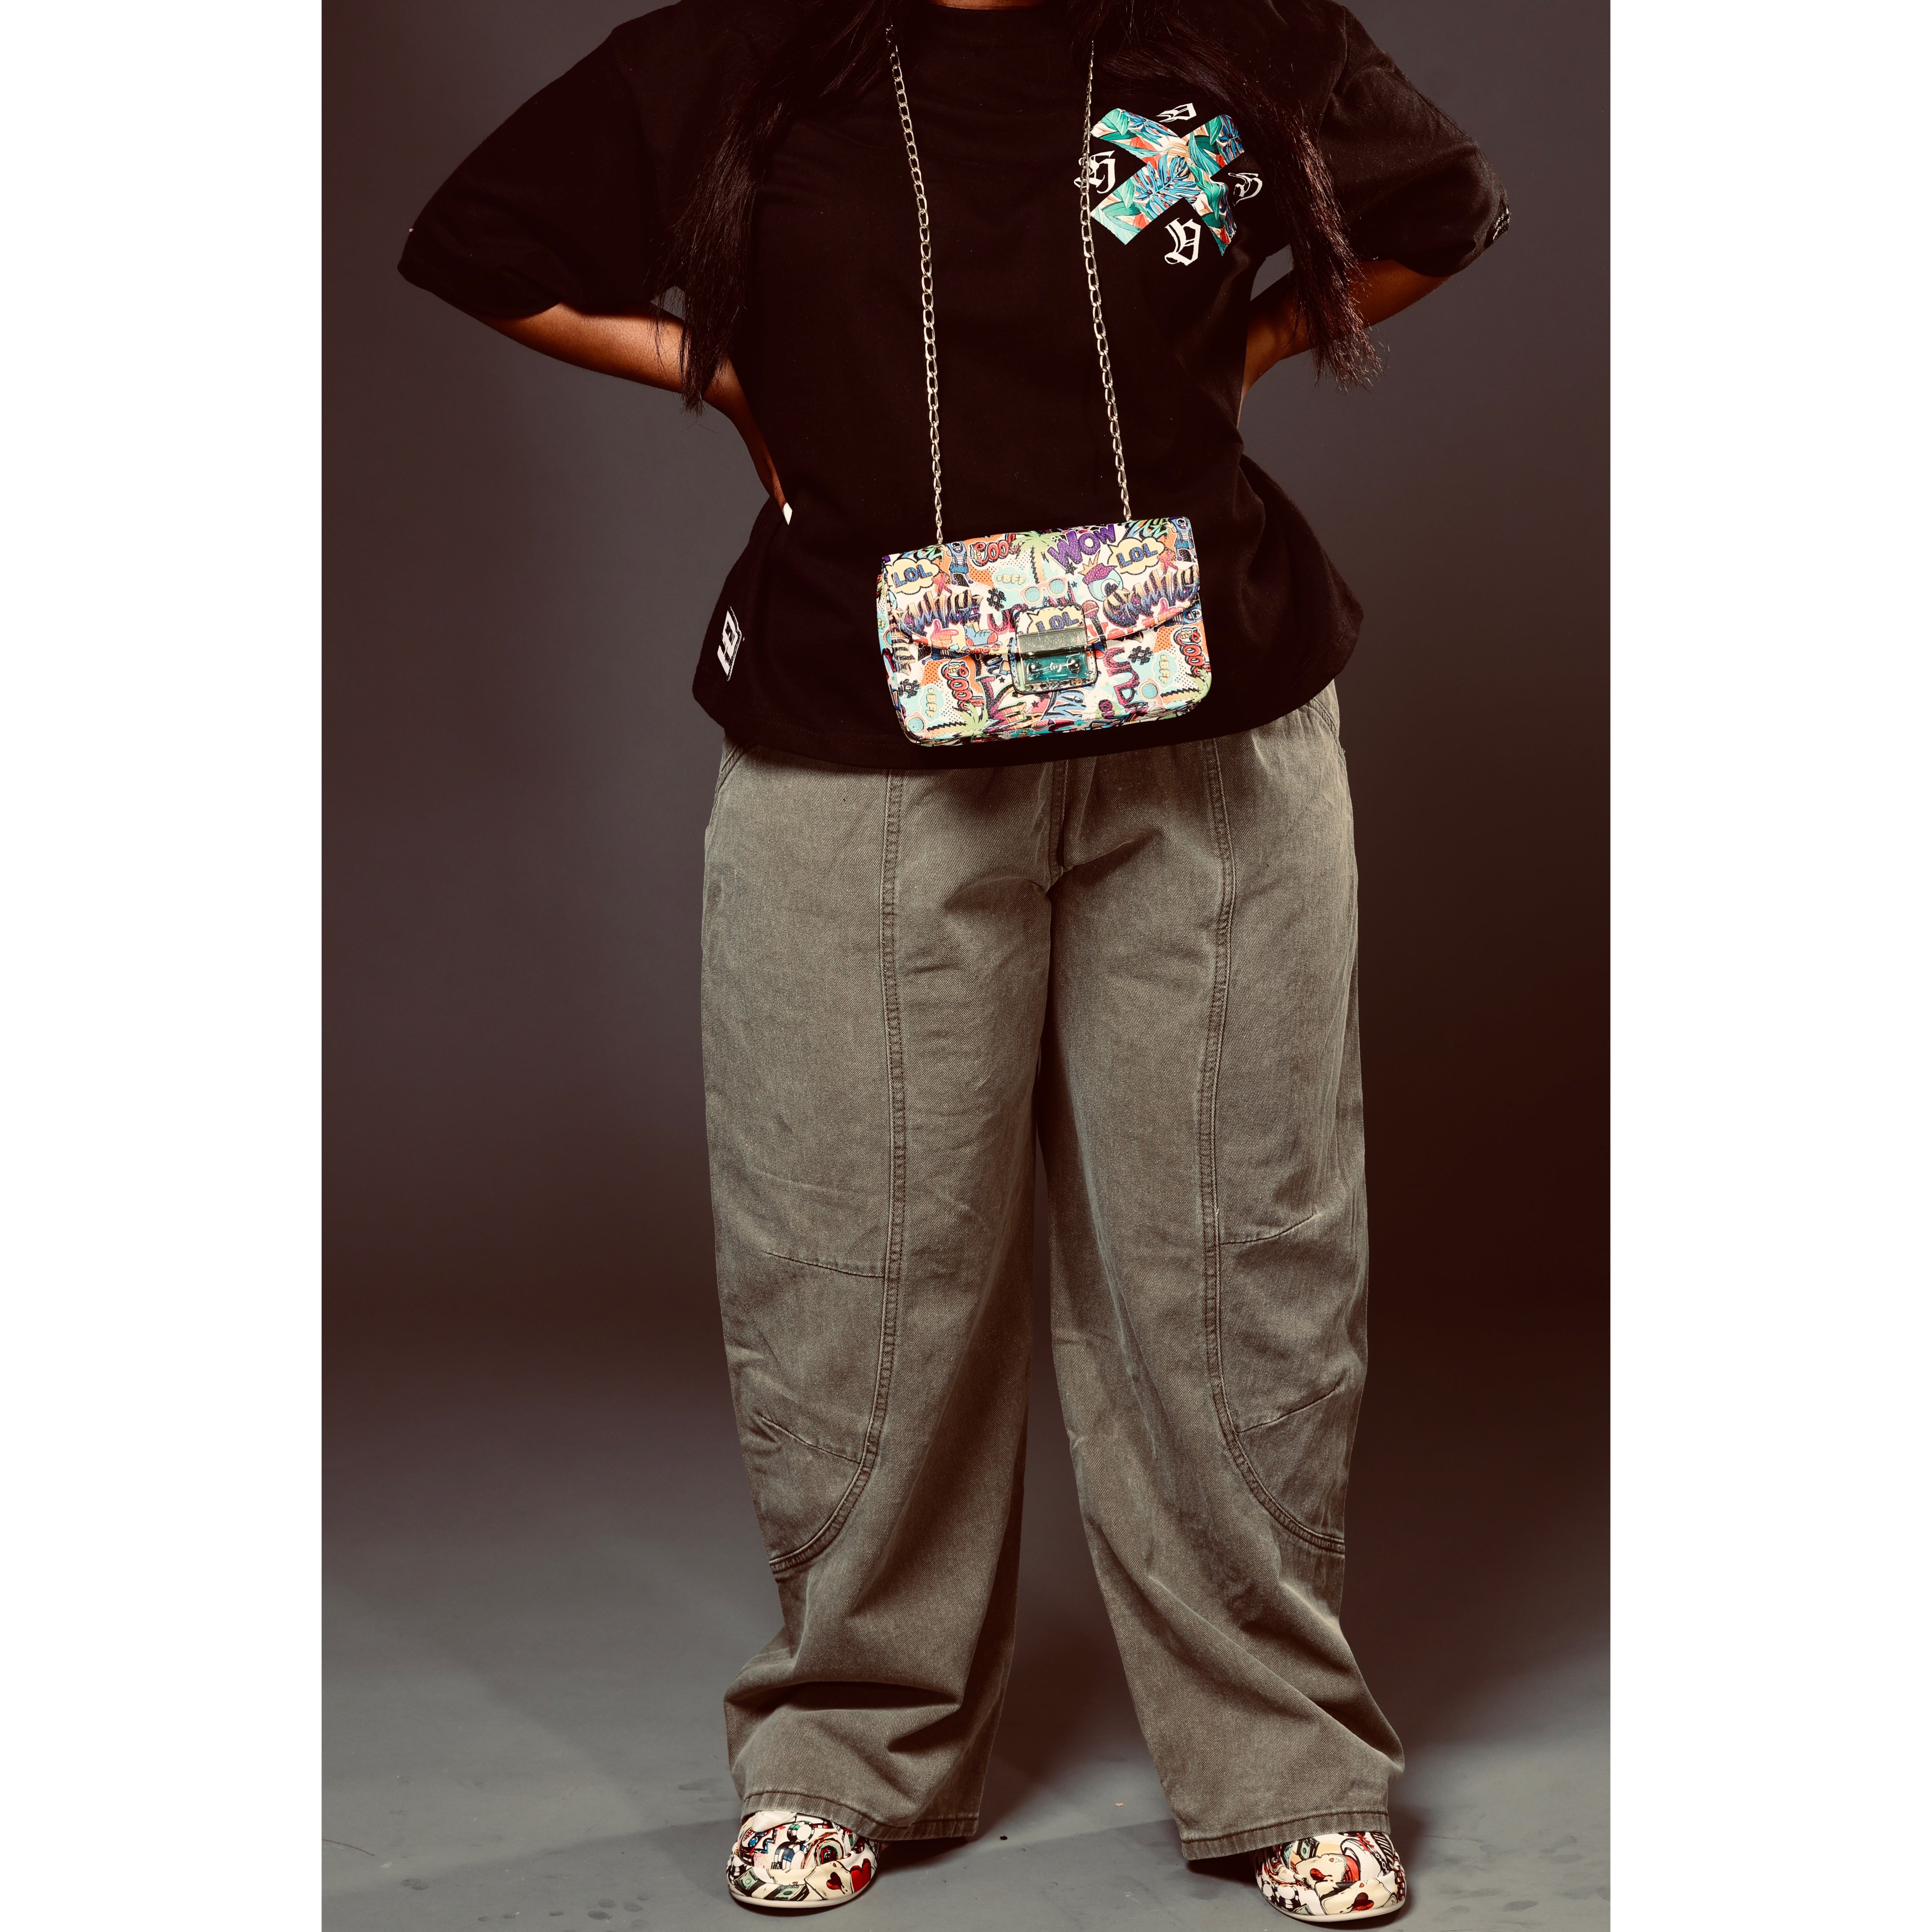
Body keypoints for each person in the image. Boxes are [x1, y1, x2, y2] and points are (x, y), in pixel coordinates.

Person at [399, 0, 1506, 1917]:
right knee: (853, 1256)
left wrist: (1243, 346)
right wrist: (719, 377)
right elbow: (480, 239)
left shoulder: (1237, 30)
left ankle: (1283, 1752)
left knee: (1238, 1255)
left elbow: (1440, 203)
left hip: (1210, 727)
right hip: (858, 738)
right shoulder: (741, 54)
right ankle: (850, 1737)